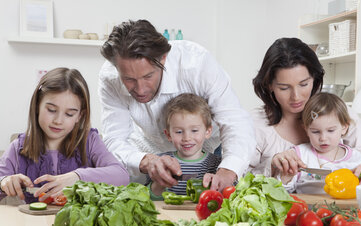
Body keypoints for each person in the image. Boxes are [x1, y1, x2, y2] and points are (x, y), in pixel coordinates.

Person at [98, 19, 255, 191]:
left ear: (163, 59)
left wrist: (228, 171)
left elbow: (234, 120)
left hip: (208, 149)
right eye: (129, 79)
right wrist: (146, 161)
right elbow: (114, 138)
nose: (140, 89)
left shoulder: (197, 63)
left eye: (148, 76)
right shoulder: (109, 76)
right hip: (150, 151)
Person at [249, 37, 361, 185]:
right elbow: (239, 179)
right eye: (284, 88)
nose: (296, 96)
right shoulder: (256, 124)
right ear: (269, 85)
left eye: (304, 84)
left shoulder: (340, 113)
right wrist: (273, 167)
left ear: (314, 79)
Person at [0, 68, 130, 204]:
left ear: (80, 116)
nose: (58, 120)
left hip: (78, 224)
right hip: (32, 224)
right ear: (38, 105)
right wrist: (4, 181)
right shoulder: (18, 147)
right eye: (51, 110)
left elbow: (121, 175)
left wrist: (77, 177)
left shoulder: (90, 141)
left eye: (69, 114)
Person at [273, 93, 361, 193]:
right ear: (306, 130)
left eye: (331, 130)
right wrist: (287, 176)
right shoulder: (299, 155)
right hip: (309, 207)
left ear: (344, 128)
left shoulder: (356, 158)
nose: (323, 138)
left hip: (347, 208)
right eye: (315, 131)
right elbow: (282, 192)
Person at [147, 93, 221, 198]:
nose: (187, 138)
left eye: (194, 130)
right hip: (168, 214)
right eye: (178, 132)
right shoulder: (161, 161)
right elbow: (147, 197)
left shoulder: (217, 164)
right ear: (168, 135)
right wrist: (160, 183)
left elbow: (230, 193)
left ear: (208, 132)